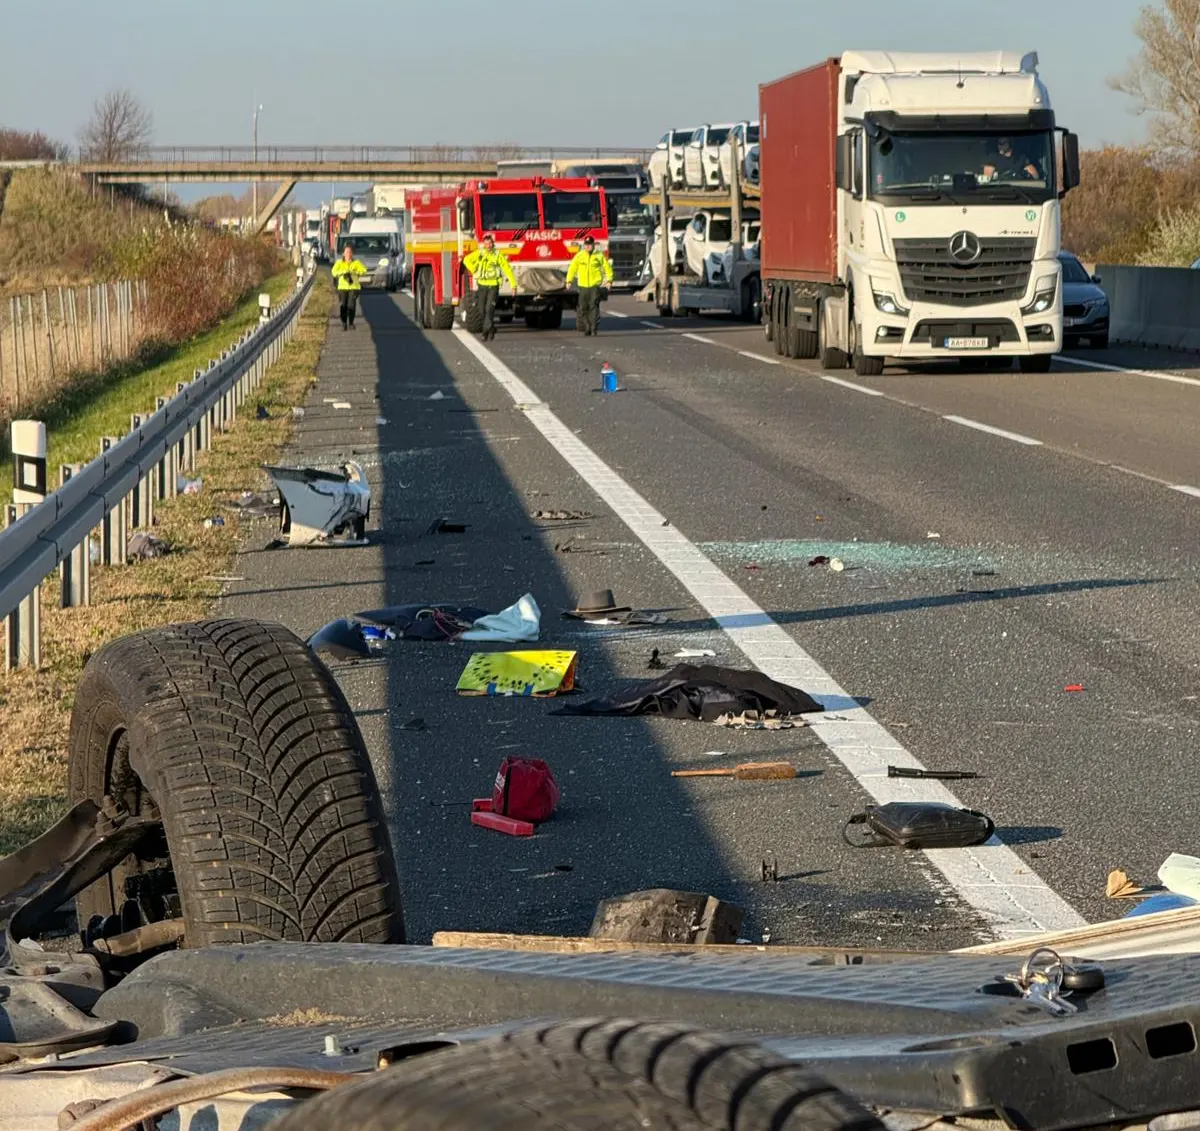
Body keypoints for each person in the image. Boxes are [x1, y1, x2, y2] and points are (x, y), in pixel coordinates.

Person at [462, 234, 517, 341]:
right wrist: (474, 270)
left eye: (490, 243)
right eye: (486, 243)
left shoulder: (497, 255)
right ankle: (491, 328)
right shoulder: (479, 254)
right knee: (481, 309)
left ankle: (485, 332)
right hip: (482, 285)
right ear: (484, 244)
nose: (488, 245)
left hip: (493, 286)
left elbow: (507, 269)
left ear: (493, 244)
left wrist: (513, 285)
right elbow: (466, 260)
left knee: (489, 308)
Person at [566, 235, 613, 336]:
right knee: (583, 308)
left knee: (593, 307)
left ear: (593, 245)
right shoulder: (580, 256)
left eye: (590, 245)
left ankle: (593, 328)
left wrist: (609, 280)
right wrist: (568, 281)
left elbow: (607, 267)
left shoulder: (599, 256)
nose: (588, 247)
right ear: (584, 245)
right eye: (586, 245)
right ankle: (587, 326)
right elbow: (572, 268)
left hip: (594, 286)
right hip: (583, 286)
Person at [331, 244, 367, 330]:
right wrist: (343, 272)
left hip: (353, 287)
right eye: (346, 252)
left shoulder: (356, 262)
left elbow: (364, 270)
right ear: (343, 253)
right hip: (343, 287)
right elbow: (333, 272)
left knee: (351, 305)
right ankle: (344, 323)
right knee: (343, 305)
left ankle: (351, 323)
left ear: (352, 253)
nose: (348, 254)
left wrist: (356, 271)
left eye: (350, 252)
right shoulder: (339, 262)